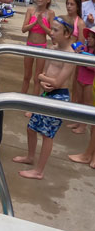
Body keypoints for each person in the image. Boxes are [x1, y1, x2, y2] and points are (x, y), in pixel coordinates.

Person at [12, 16, 76, 179]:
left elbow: (58, 81)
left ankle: (39, 171)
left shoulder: (71, 55)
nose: (51, 33)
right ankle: (30, 157)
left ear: (67, 33)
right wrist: (43, 81)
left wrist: (45, 80)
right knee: (31, 128)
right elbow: (42, 74)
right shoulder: (53, 49)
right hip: (46, 93)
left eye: (55, 30)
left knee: (47, 135)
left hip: (59, 97)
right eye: (51, 29)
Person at [20, 0, 54, 95]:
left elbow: (52, 34)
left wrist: (42, 24)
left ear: (48, 0)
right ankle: (21, 99)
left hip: (41, 47)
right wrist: (34, 23)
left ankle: (34, 105)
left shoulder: (50, 13)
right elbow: (23, 29)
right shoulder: (30, 11)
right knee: (26, 76)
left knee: (37, 77)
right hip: (29, 45)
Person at [69, 27, 95, 134]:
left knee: (86, 103)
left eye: (92, 37)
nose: (88, 39)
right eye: (88, 36)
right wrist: (77, 52)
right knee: (79, 101)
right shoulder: (84, 48)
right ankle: (78, 121)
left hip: (89, 81)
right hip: (80, 78)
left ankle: (83, 125)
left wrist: (86, 63)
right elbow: (77, 59)